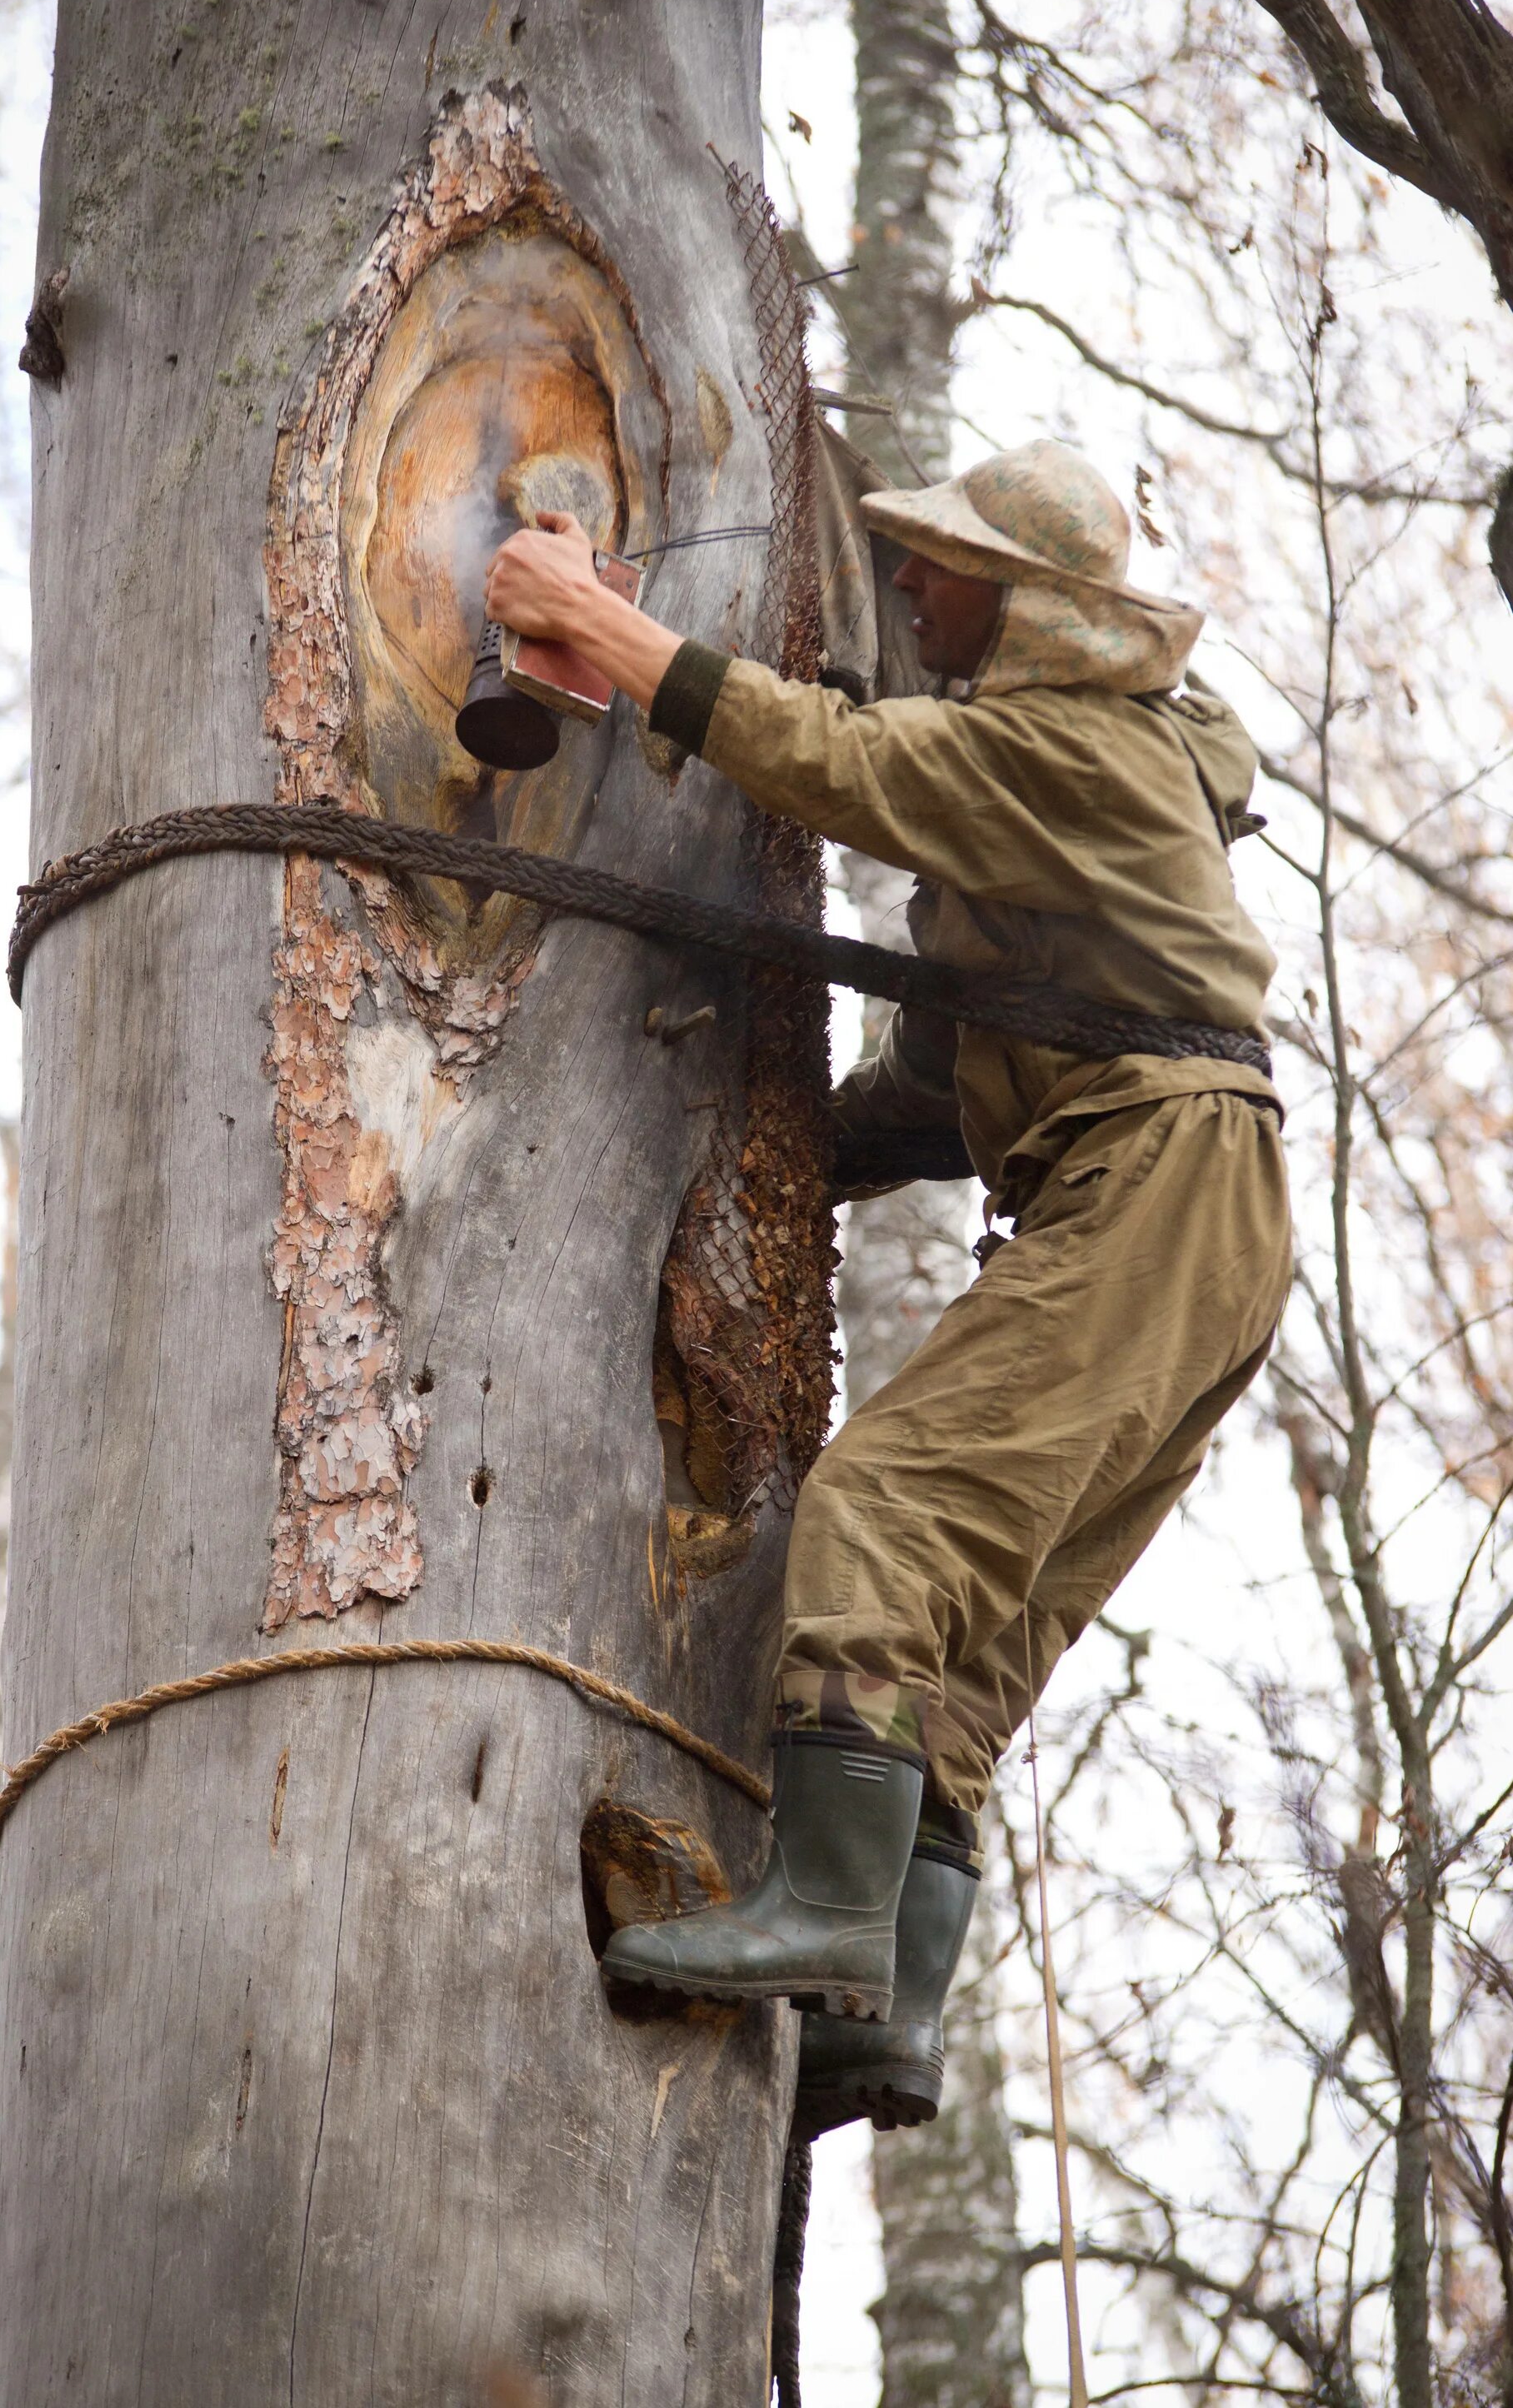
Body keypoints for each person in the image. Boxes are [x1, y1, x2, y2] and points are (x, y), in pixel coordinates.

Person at [483, 441, 1291, 2133]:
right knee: (971, 1651)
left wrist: (603, 637)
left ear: (1027, 608)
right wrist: (728, 1149)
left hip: (1154, 1179)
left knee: (881, 1522)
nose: (910, 591)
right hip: (1196, 1205)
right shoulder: (1030, 842)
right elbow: (924, 1102)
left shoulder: (1065, 749)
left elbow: (827, 757)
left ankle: (829, 1911)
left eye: (939, 569)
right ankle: (881, 2018)